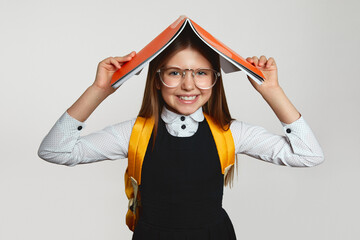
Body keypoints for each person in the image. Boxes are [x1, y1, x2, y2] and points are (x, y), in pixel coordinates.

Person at [38, 26, 324, 240]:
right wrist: (98, 91)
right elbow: (54, 150)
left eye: (201, 73)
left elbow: (309, 155)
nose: (189, 85)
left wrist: (272, 92)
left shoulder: (231, 132)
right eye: (175, 73)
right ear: (157, 80)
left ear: (214, 80)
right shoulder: (133, 133)